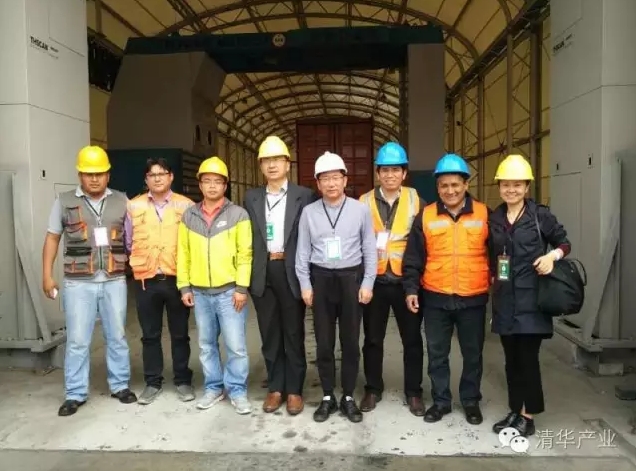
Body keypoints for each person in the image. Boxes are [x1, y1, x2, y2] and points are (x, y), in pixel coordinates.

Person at [42, 145, 137, 417]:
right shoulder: (63, 201)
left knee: (117, 335)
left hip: (114, 280)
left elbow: (134, 238)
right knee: (77, 339)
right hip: (78, 283)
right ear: (80, 175)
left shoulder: (123, 201)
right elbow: (52, 238)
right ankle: (75, 393)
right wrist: (46, 275)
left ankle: (120, 385)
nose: (94, 179)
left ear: (108, 174)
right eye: (88, 174)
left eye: (99, 173)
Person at [402, 153, 490, 425]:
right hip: (436, 297)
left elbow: (499, 253)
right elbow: (414, 257)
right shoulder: (426, 216)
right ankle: (441, 401)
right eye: (444, 186)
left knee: (472, 354)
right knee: (437, 354)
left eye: (455, 185)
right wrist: (411, 289)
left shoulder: (484, 214)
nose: (450, 191)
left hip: (472, 297)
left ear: (465, 184)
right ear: (437, 187)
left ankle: (470, 400)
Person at [488, 154, 571, 437]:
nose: (511, 190)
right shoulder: (495, 218)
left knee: (528, 359)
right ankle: (515, 410)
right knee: (511, 360)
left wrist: (551, 256)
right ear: (499, 187)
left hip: (532, 300)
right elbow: (492, 255)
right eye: (506, 184)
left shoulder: (540, 216)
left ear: (526, 187)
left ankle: (528, 415)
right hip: (505, 300)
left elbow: (564, 242)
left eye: (517, 185)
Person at [295, 151, 377, 423]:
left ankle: (349, 396)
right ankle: (328, 395)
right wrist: (305, 285)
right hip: (321, 279)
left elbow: (369, 248)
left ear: (345, 180)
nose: (331, 183)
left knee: (351, 341)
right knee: (324, 342)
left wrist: (368, 282)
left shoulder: (360, 210)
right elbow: (303, 251)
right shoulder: (309, 212)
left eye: (335, 177)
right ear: (318, 184)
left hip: (351, 279)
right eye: (325, 179)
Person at [244, 136, 318, 415]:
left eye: (277, 159)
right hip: (263, 271)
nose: (272, 165)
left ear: (288, 164)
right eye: (266, 160)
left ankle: (295, 390)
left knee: (293, 332)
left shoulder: (304, 195)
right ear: (260, 165)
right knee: (270, 333)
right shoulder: (252, 197)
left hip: (291, 270)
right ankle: (275, 387)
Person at [176, 156, 253, 415]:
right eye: (207, 181)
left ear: (225, 185)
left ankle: (237, 390)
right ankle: (214, 387)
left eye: (217, 181)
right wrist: (184, 286)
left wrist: (241, 288)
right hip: (200, 292)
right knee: (206, 344)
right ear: (200, 184)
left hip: (229, 291)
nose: (211, 186)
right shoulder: (189, 216)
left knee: (236, 345)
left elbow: (245, 254)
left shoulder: (238, 214)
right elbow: (183, 253)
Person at [358, 142, 427, 416]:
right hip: (374, 280)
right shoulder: (363, 202)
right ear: (377, 173)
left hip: (405, 282)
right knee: (372, 339)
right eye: (385, 170)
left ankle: (414, 392)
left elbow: (423, 241)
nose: (390, 175)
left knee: (412, 339)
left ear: (404, 173)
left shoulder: (416, 200)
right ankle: (373, 389)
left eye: (395, 170)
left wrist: (417, 281)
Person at [125, 158, 195, 405]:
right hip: (146, 281)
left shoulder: (186, 206)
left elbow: (193, 244)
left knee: (180, 334)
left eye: (162, 173)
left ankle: (183, 380)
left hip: (177, 279)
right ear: (146, 179)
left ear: (171, 176)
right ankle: (152, 382)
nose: (157, 178)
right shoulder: (133, 206)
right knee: (150, 335)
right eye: (152, 175)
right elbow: (128, 241)